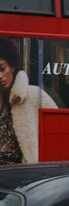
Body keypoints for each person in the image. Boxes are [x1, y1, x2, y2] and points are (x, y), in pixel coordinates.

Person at [0, 37, 58, 165]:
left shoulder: (33, 95)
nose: (0, 76)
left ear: (12, 66)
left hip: (22, 172)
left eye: (2, 69)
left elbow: (57, 131)